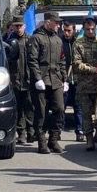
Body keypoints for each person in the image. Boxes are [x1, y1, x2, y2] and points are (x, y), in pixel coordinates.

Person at [26, 10, 67, 154]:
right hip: (41, 79)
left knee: (60, 109)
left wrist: (64, 78)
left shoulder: (58, 39)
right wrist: (37, 78)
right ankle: (42, 142)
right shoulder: (36, 38)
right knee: (41, 112)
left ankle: (53, 140)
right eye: (56, 22)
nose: (58, 25)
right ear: (48, 22)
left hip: (55, 80)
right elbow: (32, 60)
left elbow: (62, 60)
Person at [71, 16, 97, 151]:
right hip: (85, 86)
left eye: (93, 29)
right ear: (84, 29)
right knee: (86, 114)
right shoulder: (78, 44)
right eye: (87, 29)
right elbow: (76, 64)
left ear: (96, 28)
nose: (90, 31)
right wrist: (93, 69)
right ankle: (89, 139)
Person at [4, 16, 35, 144]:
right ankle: (21, 132)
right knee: (19, 107)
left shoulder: (31, 40)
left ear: (24, 26)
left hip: (29, 79)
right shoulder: (9, 41)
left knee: (30, 107)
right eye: (16, 26)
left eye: (20, 26)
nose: (18, 28)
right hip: (15, 79)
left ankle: (31, 132)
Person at [60, 20, 84, 142]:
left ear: (74, 30)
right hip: (64, 80)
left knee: (78, 106)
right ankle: (58, 130)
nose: (66, 33)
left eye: (69, 30)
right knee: (61, 106)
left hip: (77, 80)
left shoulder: (78, 42)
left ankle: (79, 131)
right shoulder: (60, 42)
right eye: (64, 30)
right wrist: (63, 79)